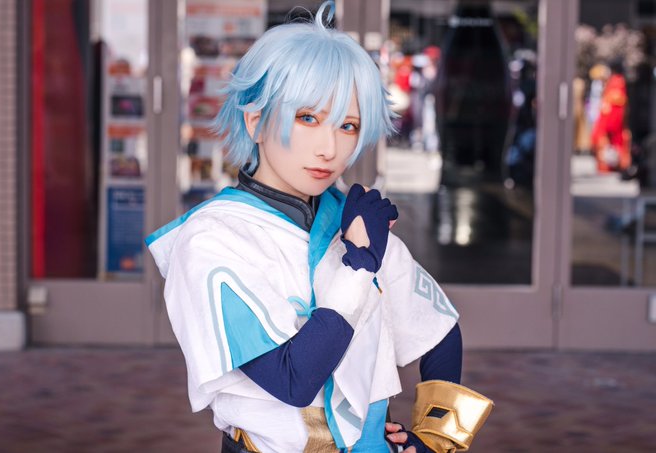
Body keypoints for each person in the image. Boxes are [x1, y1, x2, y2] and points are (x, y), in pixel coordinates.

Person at [146, 3, 492, 452]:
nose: (329, 148)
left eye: (347, 126)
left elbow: (439, 329)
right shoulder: (213, 239)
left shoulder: (351, 221)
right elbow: (293, 380)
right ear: (256, 121)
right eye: (307, 118)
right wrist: (359, 265)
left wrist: (435, 438)